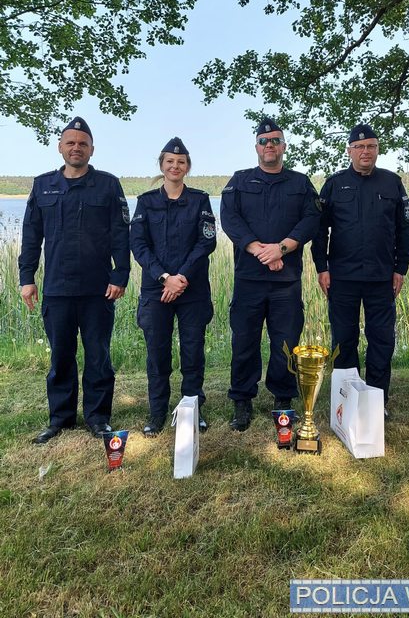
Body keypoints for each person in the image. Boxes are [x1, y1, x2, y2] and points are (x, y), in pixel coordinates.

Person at [19, 117, 130, 443]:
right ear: (60, 147)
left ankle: (98, 418)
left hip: (99, 289)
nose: (76, 148)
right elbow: (31, 236)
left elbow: (121, 234)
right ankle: (61, 419)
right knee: (60, 357)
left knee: (98, 356)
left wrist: (120, 274)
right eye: (71, 142)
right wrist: (27, 278)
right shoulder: (43, 186)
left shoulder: (108, 185)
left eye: (83, 143)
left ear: (92, 149)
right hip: (57, 289)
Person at [220, 118, 321, 431]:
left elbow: (311, 220)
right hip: (249, 280)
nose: (270, 146)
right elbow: (230, 220)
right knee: (244, 342)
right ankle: (242, 400)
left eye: (275, 140)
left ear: (284, 146)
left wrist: (282, 248)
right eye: (264, 141)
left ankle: (283, 399)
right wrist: (260, 251)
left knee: (285, 342)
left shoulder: (300, 183)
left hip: (285, 281)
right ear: (256, 147)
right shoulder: (239, 181)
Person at [311, 123, 409, 414]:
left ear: (378, 150)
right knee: (344, 339)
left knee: (382, 340)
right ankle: (347, 398)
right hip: (342, 277)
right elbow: (319, 230)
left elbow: (404, 228)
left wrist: (401, 268)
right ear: (349, 151)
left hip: (382, 277)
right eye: (359, 147)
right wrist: (321, 267)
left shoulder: (392, 183)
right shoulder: (334, 184)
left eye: (371, 146)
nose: (365, 151)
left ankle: (377, 400)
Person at [130, 138, 216, 437]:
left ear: (187, 167)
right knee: (157, 354)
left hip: (193, 290)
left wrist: (181, 277)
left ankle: (192, 408)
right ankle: (157, 413)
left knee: (192, 353)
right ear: (162, 165)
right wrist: (165, 277)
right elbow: (138, 245)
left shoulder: (200, 200)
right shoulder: (146, 202)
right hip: (157, 290)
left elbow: (206, 242)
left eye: (181, 162)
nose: (175, 166)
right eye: (170, 161)